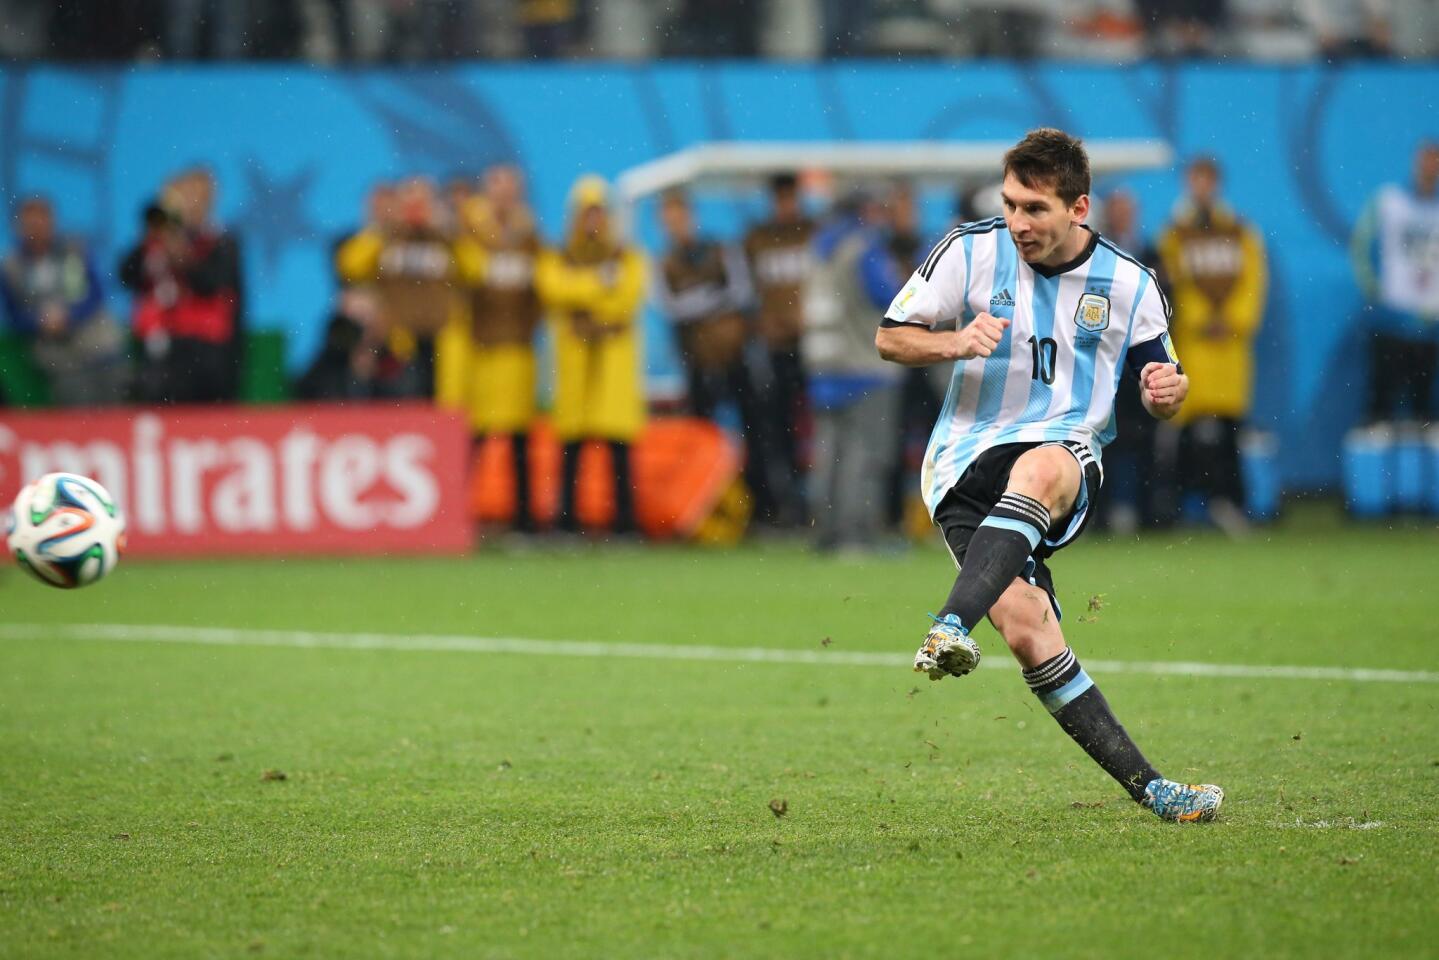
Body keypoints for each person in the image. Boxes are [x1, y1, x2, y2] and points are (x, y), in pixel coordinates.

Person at [874, 128, 1223, 823]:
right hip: (961, 461)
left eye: (1034, 209)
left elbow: (1164, 376)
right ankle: (1154, 791)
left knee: (1039, 466)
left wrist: (1166, 391)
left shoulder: (1128, 282)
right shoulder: (967, 250)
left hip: (1063, 448)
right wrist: (953, 340)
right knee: (1031, 634)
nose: (1017, 223)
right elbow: (889, 336)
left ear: (1079, 207)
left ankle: (947, 624)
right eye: (1010, 205)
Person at [655, 188, 779, 525]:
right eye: (669, 221)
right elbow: (671, 307)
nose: (677, 226)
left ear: (692, 217)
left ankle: (764, 509)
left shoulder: (721, 251)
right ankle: (702, 511)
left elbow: (741, 292)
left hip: (734, 357)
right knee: (699, 440)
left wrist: (700, 303)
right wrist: (712, 300)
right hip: (697, 361)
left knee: (757, 435)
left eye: (680, 218)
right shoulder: (664, 263)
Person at [1157, 157, 1267, 536]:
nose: (1201, 187)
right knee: (1188, 428)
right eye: (1195, 180)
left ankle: (1229, 502)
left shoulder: (1240, 233)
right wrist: (1201, 319)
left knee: (1228, 428)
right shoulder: (1176, 235)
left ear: (1216, 183)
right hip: (1195, 346)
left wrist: (1233, 320)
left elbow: (1253, 280)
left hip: (1230, 348)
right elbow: (1172, 288)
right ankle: (1190, 505)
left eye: (1207, 180)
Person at [536, 175, 647, 536]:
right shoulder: (560, 255)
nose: (593, 222)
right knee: (572, 444)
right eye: (587, 214)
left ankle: (625, 524)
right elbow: (553, 290)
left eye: (599, 214)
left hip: (612, 361)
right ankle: (566, 520)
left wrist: (583, 298)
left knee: (618, 445)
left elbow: (628, 297)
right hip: (575, 360)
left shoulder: (626, 256)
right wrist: (600, 286)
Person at [441, 164, 545, 532]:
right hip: (481, 350)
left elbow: (542, 287)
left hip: (516, 347)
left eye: (510, 187)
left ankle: (524, 522)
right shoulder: (469, 230)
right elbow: (464, 275)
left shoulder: (528, 232)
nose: (504, 195)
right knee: (476, 436)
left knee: (518, 439)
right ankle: (455, 518)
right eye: (498, 187)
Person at [804, 185, 904, 554]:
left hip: (824, 366)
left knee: (829, 454)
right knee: (865, 456)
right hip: (865, 365)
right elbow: (893, 297)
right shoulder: (864, 249)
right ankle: (857, 535)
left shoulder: (817, 250)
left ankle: (825, 532)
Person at [336, 177, 484, 400]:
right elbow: (350, 266)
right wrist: (382, 228)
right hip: (400, 339)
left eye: (424, 203)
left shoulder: (445, 240)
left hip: (442, 335)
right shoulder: (387, 239)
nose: (417, 211)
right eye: (410, 203)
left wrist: (451, 230)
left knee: (447, 403)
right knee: (405, 400)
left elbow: (476, 269)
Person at [119, 168, 244, 404]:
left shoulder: (222, 241)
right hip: (161, 343)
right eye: (184, 195)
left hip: (206, 348)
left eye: (198, 196)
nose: (190, 204)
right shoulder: (156, 240)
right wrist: (151, 236)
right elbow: (126, 276)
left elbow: (212, 285)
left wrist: (183, 258)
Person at [0, 197, 127, 406]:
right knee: (76, 394)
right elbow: (13, 315)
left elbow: (95, 293)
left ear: (52, 221)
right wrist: (40, 321)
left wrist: (71, 315)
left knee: (114, 387)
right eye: (30, 223)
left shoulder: (74, 250)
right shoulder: (11, 266)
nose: (36, 229)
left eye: (41, 221)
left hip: (93, 336)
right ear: (18, 227)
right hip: (53, 346)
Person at [744, 173, 816, 526]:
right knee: (776, 429)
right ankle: (782, 504)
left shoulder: (815, 234)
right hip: (774, 349)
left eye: (791, 199)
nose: (787, 206)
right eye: (781, 199)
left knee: (820, 425)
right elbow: (745, 292)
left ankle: (818, 503)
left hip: (814, 346)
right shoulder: (757, 239)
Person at [1351, 139, 1439, 425]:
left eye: (1435, 162)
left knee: (1424, 415)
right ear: (1416, 162)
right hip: (1391, 321)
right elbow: (1360, 245)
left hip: (1431, 327)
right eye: (1426, 160)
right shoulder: (1389, 200)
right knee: (1380, 409)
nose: (1429, 168)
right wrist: (1376, 292)